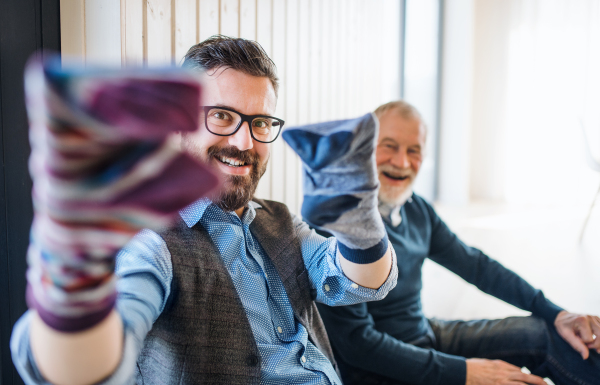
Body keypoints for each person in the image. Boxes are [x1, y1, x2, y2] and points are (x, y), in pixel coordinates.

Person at [11, 36, 397, 385]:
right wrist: (74, 269)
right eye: (222, 116)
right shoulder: (152, 242)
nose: (244, 141)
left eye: (260, 122)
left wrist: (357, 223)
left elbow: (362, 282)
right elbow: (89, 364)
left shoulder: (280, 222)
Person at [316, 100, 600, 385]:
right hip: (381, 371)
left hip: (426, 334)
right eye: (389, 146)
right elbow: (359, 347)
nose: (402, 162)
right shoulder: (338, 221)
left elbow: (477, 266)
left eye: (413, 151)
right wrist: (464, 372)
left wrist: (558, 312)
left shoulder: (416, 209)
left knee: (551, 333)